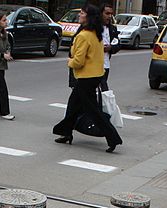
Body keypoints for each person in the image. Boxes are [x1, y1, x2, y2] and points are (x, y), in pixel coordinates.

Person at [52, 4, 122, 152]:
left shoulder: (84, 35)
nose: (79, 15)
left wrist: (69, 62)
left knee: (92, 110)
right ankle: (66, 132)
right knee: (73, 106)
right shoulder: (96, 34)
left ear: (88, 17)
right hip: (95, 75)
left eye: (82, 13)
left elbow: (78, 61)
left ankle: (113, 138)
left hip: (86, 78)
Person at [98, 2, 119, 91]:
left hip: (105, 65)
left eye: (111, 14)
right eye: (107, 13)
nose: (109, 16)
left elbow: (117, 44)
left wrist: (110, 48)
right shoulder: (94, 28)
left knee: (102, 90)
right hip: (93, 65)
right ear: (100, 13)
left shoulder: (112, 29)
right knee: (103, 90)